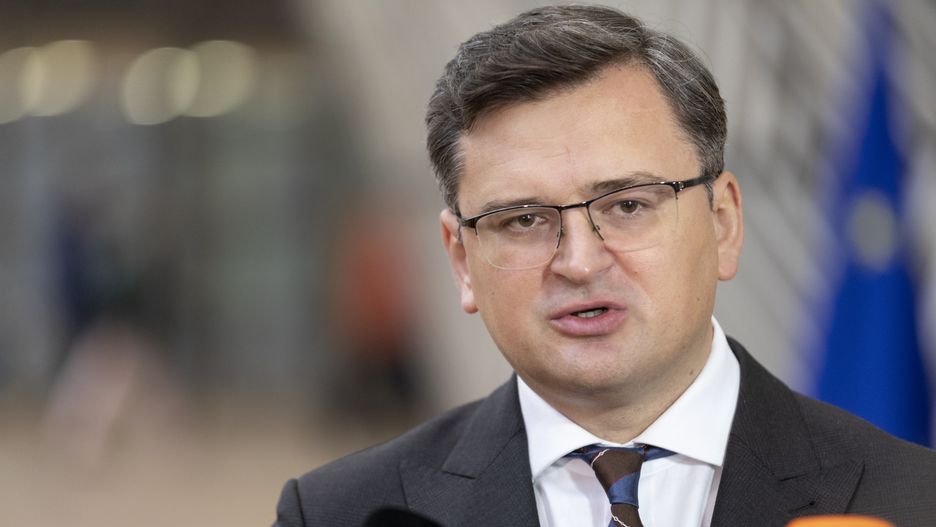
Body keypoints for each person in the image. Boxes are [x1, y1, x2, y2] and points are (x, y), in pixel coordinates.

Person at [274, 5, 936, 526]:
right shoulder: (341, 513)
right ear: (462, 260)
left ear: (724, 222)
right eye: (523, 219)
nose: (579, 261)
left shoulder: (909, 500)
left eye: (626, 205)